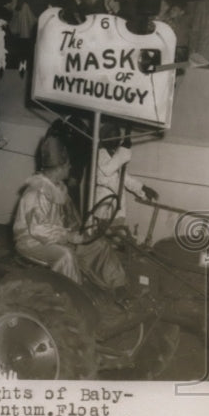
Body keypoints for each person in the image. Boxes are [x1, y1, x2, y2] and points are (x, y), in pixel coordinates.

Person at [12, 135, 130, 295]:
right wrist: (68, 236)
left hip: (57, 237)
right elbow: (38, 229)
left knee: (98, 245)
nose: (70, 167)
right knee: (66, 256)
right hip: (32, 242)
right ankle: (74, 298)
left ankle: (118, 285)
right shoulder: (35, 193)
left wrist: (85, 232)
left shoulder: (59, 188)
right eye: (68, 164)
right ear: (59, 168)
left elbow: (72, 218)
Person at [94, 120, 159, 235]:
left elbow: (124, 178)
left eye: (118, 136)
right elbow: (108, 169)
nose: (117, 139)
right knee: (100, 234)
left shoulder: (115, 155)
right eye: (113, 136)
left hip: (116, 202)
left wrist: (143, 188)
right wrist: (124, 148)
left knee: (115, 235)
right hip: (104, 200)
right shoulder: (99, 153)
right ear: (105, 138)